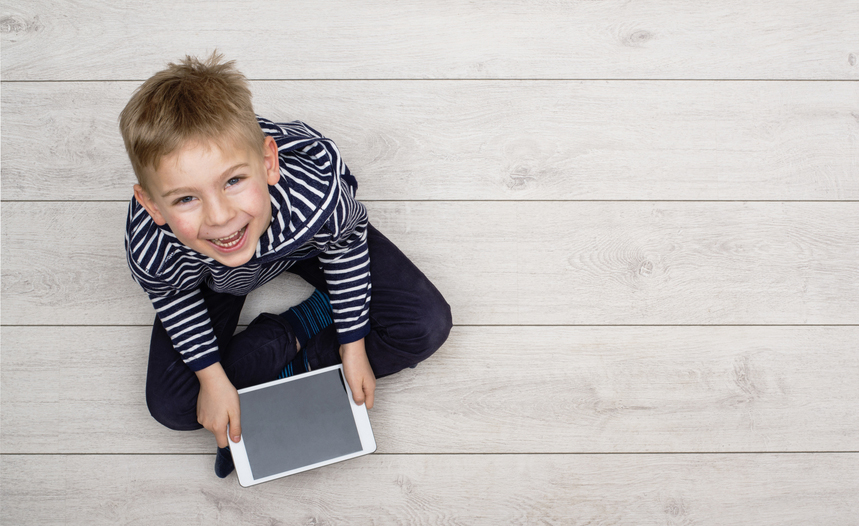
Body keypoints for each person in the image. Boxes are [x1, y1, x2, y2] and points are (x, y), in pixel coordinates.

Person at [119, 53, 452, 478]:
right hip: (211, 276)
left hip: (302, 245)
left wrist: (352, 345)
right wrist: (211, 377)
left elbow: (345, 241)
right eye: (186, 198)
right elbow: (174, 295)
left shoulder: (315, 195)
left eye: (233, 181)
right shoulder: (153, 245)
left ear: (268, 163)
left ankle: (314, 331)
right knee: (174, 405)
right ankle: (297, 329)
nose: (219, 217)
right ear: (152, 206)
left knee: (427, 323)